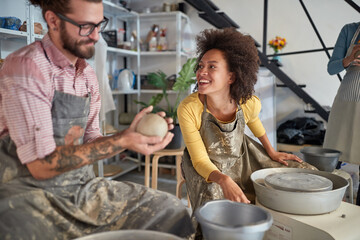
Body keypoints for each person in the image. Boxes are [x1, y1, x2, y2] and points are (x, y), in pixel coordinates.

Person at [0, 0, 194, 239]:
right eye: (85, 26)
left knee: (171, 211)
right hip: (26, 191)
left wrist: (132, 137)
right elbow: (41, 165)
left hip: (80, 188)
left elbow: (92, 139)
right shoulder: (27, 66)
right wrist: (122, 141)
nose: (95, 36)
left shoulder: (87, 76)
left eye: (99, 24)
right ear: (53, 21)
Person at [177, 28, 316, 231]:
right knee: (217, 203)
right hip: (205, 166)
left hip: (241, 157)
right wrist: (223, 180)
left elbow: (254, 122)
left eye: (211, 67)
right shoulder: (189, 108)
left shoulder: (248, 102)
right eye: (200, 66)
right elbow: (199, 160)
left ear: (231, 77)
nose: (201, 72)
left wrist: (271, 151)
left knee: (299, 173)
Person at [324, 22, 360, 205]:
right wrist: (350, 58)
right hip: (347, 99)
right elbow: (332, 68)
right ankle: (326, 203)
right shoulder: (349, 30)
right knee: (333, 158)